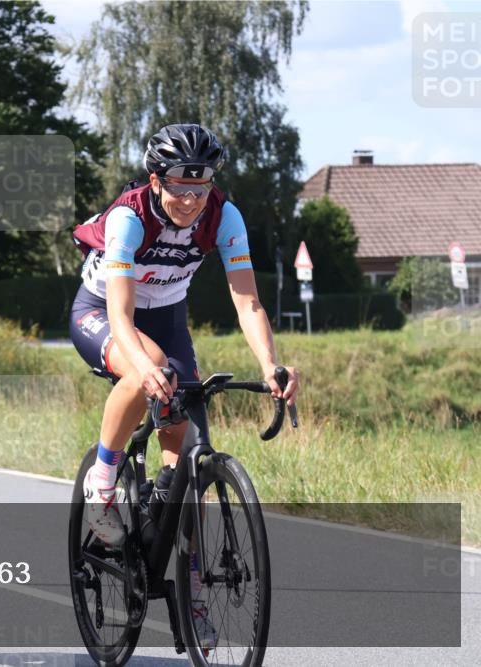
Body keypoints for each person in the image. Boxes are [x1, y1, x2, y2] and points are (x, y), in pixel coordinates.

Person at [70, 123, 299, 647]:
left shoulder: (225, 215)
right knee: (148, 367)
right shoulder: (129, 218)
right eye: (180, 186)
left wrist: (269, 364)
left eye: (202, 187)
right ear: (155, 180)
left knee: (188, 451)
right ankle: (103, 480)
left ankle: (189, 589)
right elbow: (121, 316)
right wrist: (144, 368)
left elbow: (248, 303)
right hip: (103, 313)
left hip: (170, 315)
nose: (192, 199)